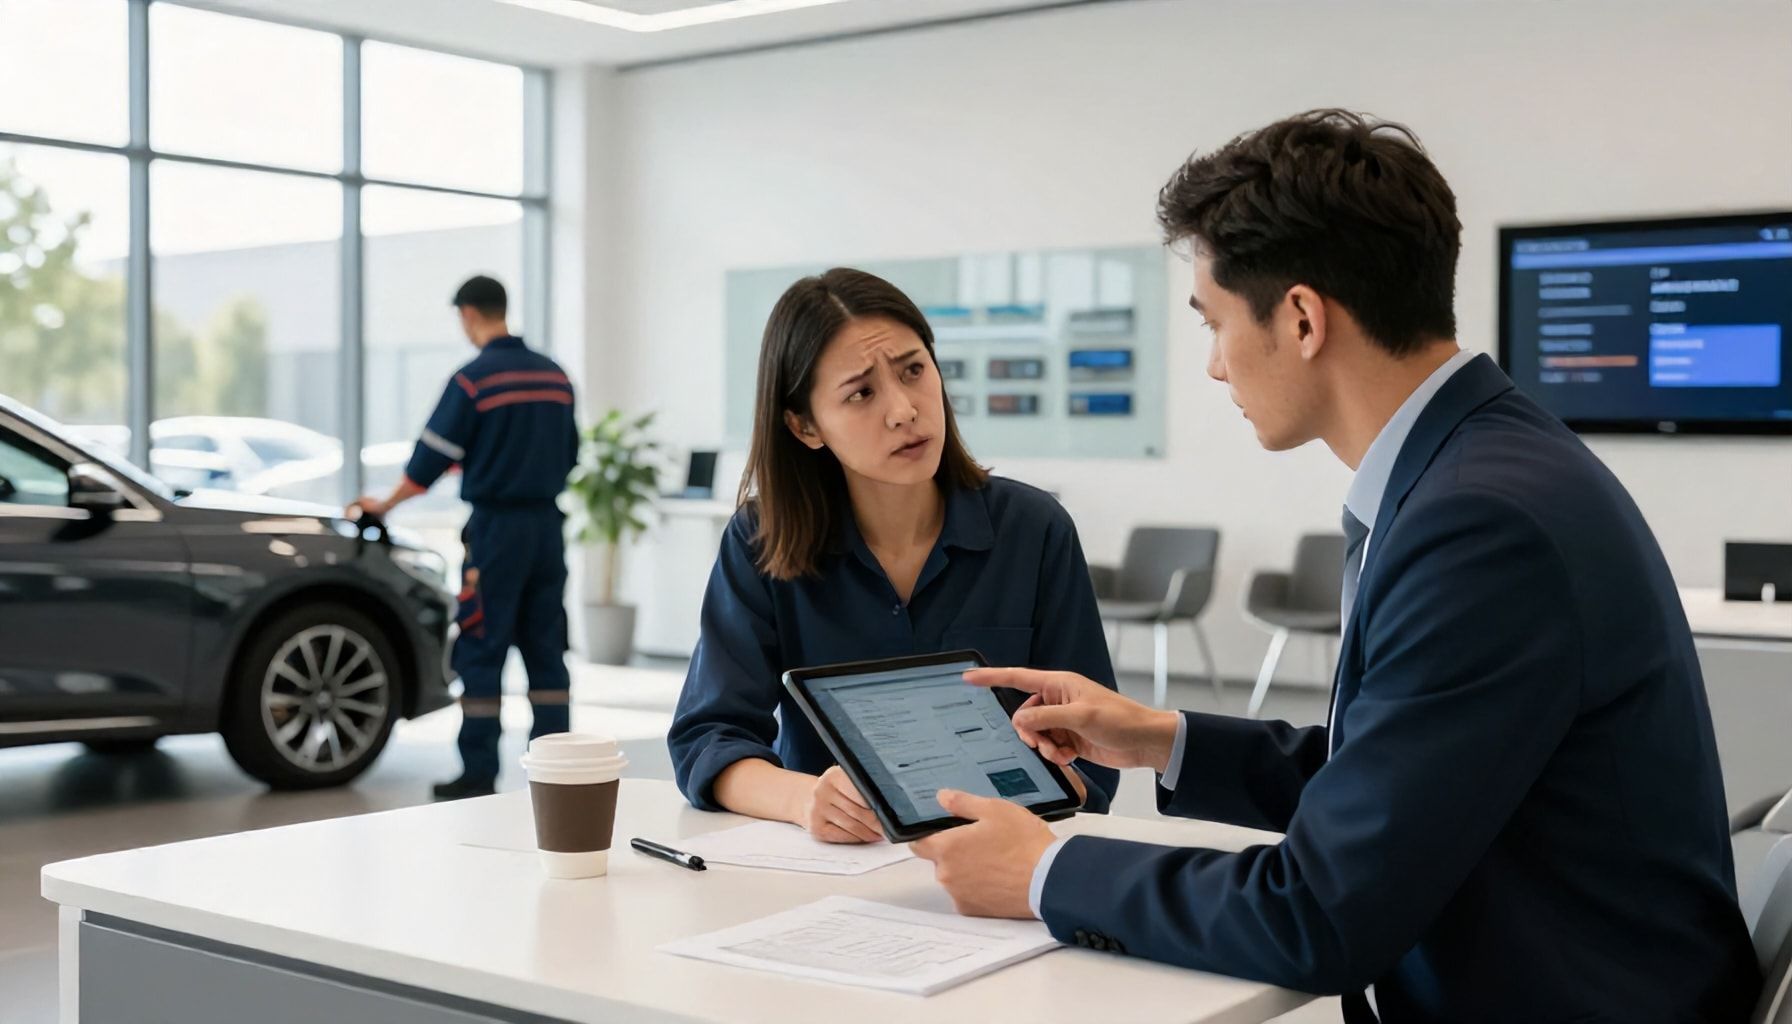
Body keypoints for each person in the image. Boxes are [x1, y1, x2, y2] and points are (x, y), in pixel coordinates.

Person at [911, 110, 1761, 1022]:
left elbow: (1320, 913)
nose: (1213, 367)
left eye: (1216, 324)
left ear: (1304, 317)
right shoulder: (1485, 463)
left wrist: (1044, 870)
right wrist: (1159, 737)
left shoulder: (1477, 523)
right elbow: (1398, 780)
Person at [667, 267, 1120, 841]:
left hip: (1011, 856)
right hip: (834, 866)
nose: (904, 409)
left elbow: (1096, 747)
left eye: (913, 371)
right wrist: (806, 798)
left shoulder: (1034, 530)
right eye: (861, 392)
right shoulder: (762, 541)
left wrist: (1061, 786)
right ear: (805, 425)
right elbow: (707, 740)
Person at [351, 275, 580, 801]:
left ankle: (478, 773)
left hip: (497, 531)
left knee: (481, 646)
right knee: (547, 650)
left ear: (469, 315)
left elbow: (427, 464)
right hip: (547, 529)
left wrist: (383, 504)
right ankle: (556, 771)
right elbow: (569, 455)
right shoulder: (555, 377)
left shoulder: (473, 381)